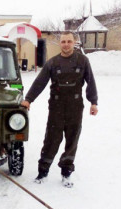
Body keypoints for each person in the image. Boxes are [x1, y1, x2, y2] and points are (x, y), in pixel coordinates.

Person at [21, 31, 98, 188]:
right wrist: (28, 99)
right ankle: (43, 172)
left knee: (72, 141)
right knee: (51, 140)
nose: (66, 44)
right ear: (60, 44)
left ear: (74, 42)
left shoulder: (82, 61)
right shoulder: (53, 63)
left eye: (69, 41)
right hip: (56, 108)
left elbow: (90, 81)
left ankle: (66, 173)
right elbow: (40, 82)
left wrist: (93, 102)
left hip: (75, 108)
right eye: (63, 42)